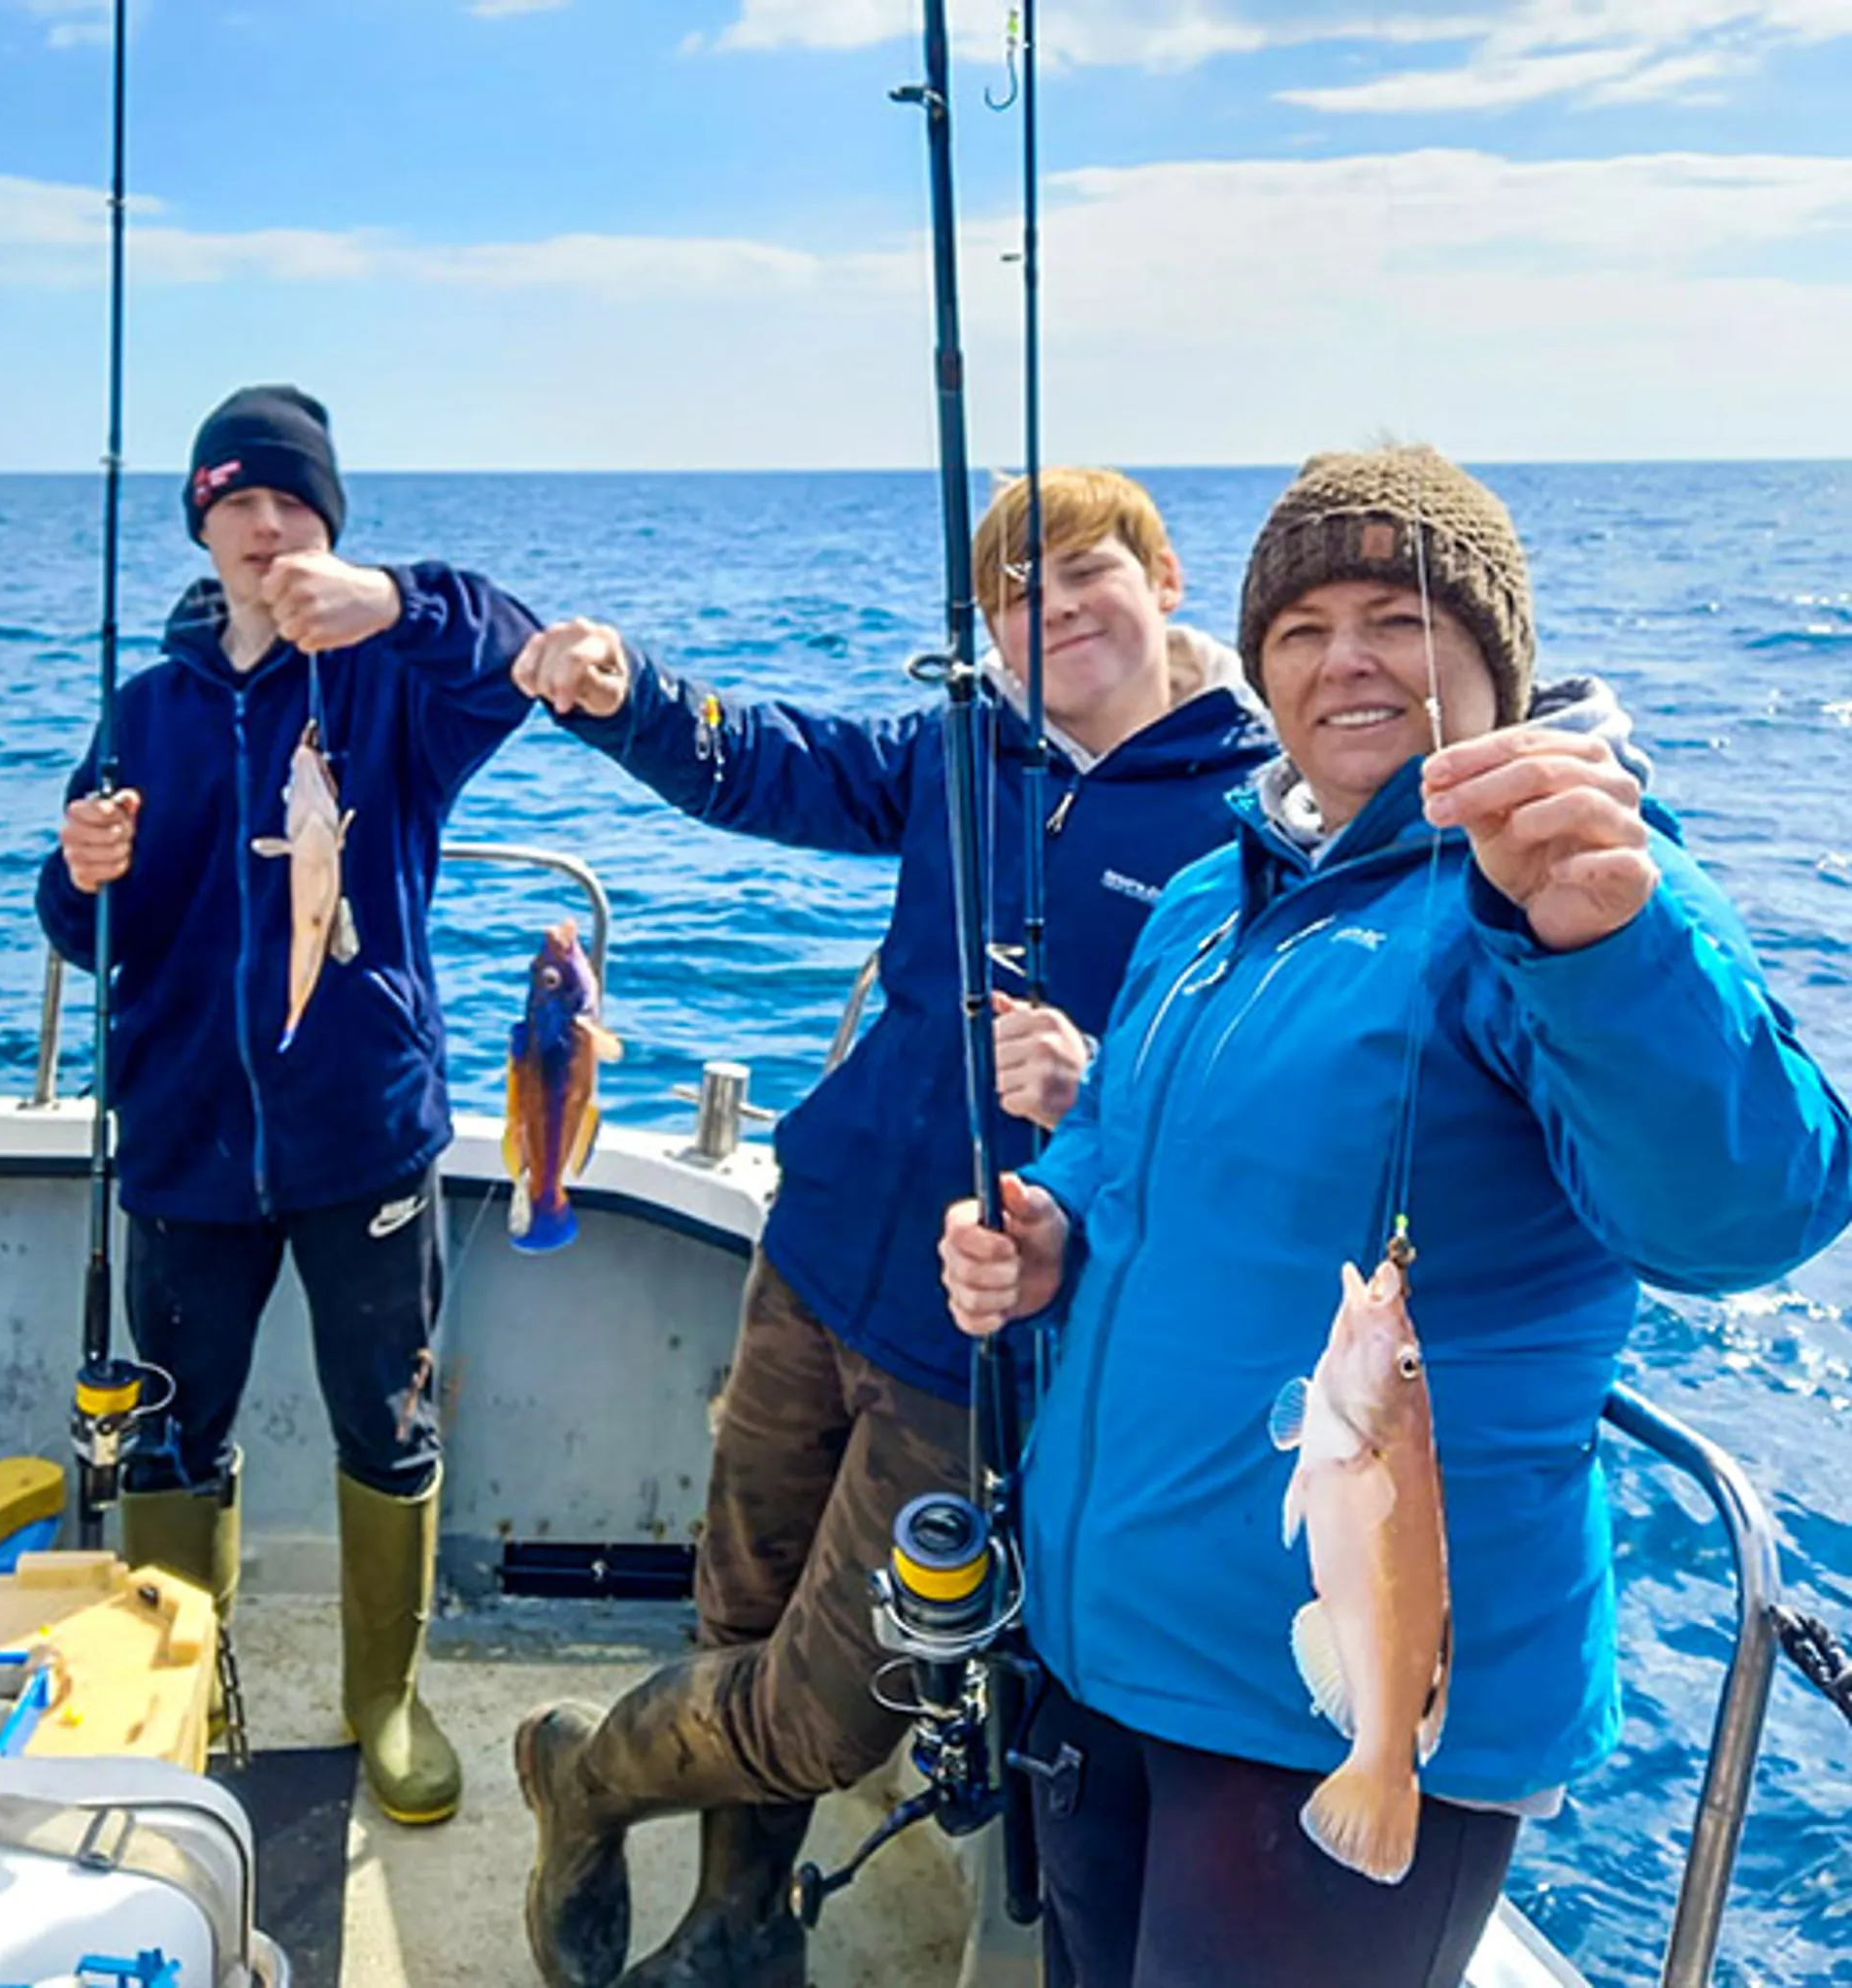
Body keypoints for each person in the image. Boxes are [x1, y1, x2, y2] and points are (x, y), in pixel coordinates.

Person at [939, 443, 1852, 1987]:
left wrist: (1611, 945)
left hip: (1332, 1714)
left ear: (1497, 656)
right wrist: (1052, 1242)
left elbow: (1740, 1216)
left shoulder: (1568, 878)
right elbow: (1121, 1147)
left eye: (1397, 617)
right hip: (1103, 1648)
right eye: (1300, 629)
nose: (1344, 660)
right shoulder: (1210, 900)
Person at [507, 468, 1276, 1987]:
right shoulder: (959, 748)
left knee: (842, 1699)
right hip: (821, 1243)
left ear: (1168, 575)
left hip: (990, 1313)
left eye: (1081, 574)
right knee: (742, 1597)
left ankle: (584, 1779)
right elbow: (782, 770)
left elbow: (1266, 1089)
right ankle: (736, 1924)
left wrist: (1103, 1077)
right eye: (1010, 594)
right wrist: (627, 696)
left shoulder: (1254, 818)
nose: (1047, 613)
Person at [36, 383, 539, 1827]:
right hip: (186, 1136)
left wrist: (387, 605)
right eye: (240, 502)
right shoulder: (145, 710)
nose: (268, 525)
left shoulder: (395, 690)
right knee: (178, 1428)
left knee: (388, 1419)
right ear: (202, 524)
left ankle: (383, 1694)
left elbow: (520, 654)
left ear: (331, 526)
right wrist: (80, 870)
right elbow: (80, 937)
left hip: (360, 1130)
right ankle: (183, 1683)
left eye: (296, 503)